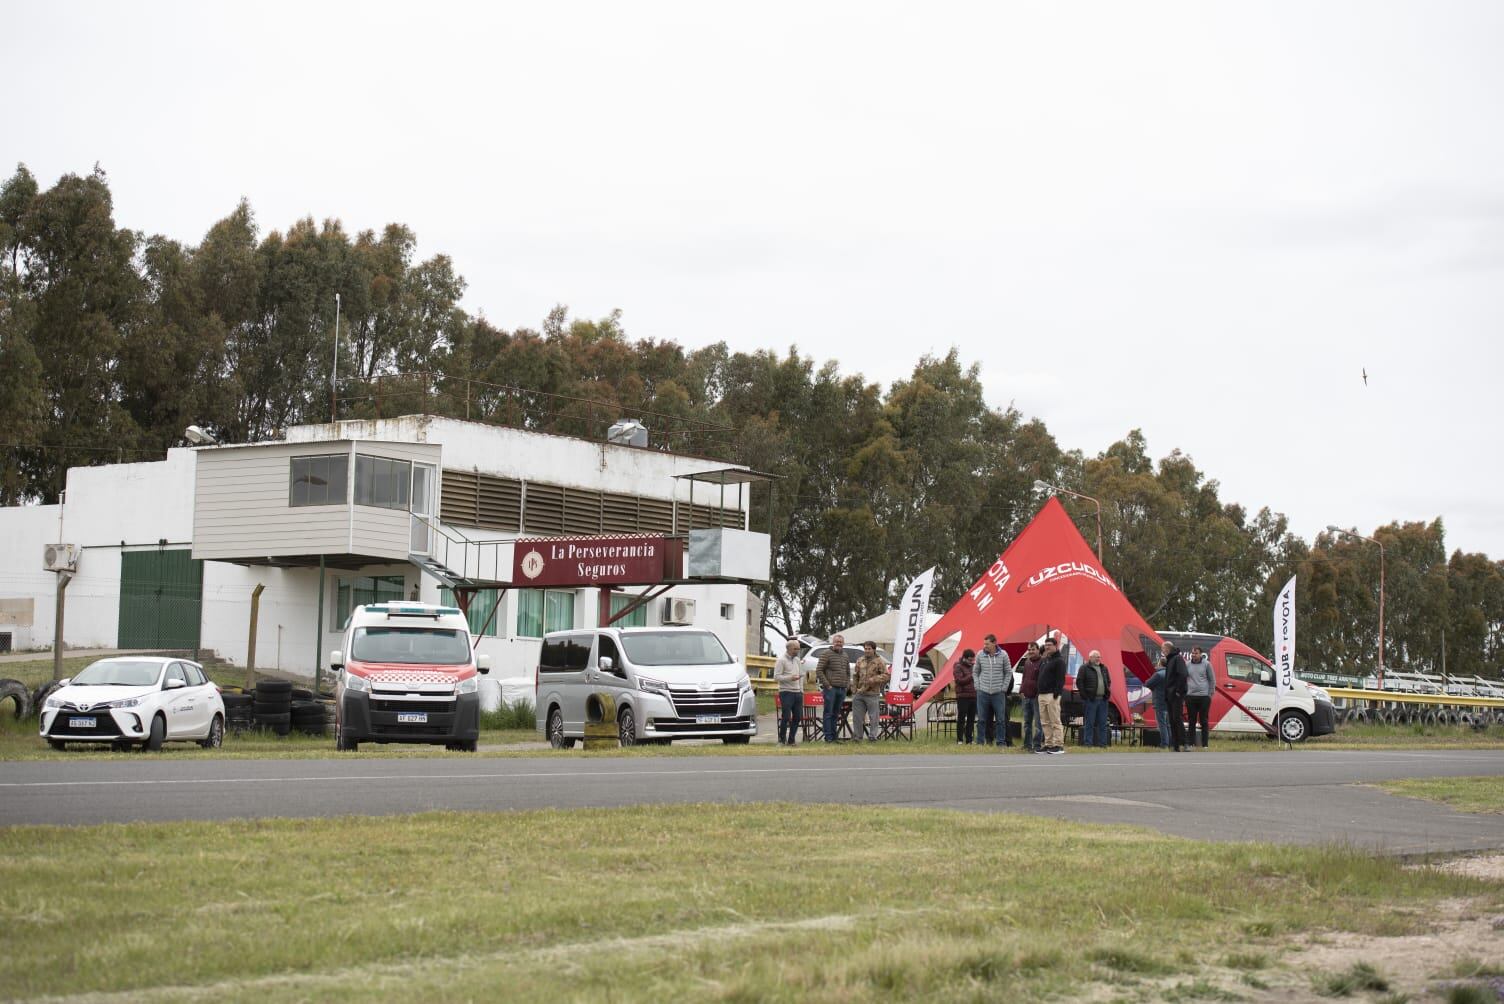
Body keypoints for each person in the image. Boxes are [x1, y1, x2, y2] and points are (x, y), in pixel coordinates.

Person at [973, 634, 1014, 748]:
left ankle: (1000, 742)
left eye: (987, 644)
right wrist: (977, 686)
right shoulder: (980, 655)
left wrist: (1004, 688)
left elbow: (1008, 672)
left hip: (998, 693)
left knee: (1000, 719)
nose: (984, 646)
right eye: (984, 643)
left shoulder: (1003, 655)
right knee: (981, 719)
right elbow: (975, 672)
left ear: (994, 643)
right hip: (983, 692)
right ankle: (980, 742)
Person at [815, 634, 852, 743]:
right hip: (831, 689)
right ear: (833, 642)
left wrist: (846, 685)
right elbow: (819, 670)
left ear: (843, 643)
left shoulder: (845, 655)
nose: (838, 644)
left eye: (840, 642)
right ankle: (828, 737)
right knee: (828, 713)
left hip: (842, 689)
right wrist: (828, 685)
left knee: (836, 714)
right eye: (837, 642)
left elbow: (848, 672)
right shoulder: (826, 654)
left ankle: (834, 736)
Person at [850, 641, 890, 741]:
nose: (867, 651)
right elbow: (855, 675)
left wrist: (874, 679)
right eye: (866, 649)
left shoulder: (879, 661)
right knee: (857, 717)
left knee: (874, 718)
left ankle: (872, 737)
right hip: (859, 693)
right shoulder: (860, 660)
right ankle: (858, 737)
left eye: (869, 649)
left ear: (874, 649)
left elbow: (886, 675)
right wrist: (854, 689)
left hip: (872, 694)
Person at [1076, 649, 1112, 748]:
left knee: (1103, 723)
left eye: (1099, 656)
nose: (1098, 658)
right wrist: (1085, 696)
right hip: (1091, 700)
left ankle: (1103, 744)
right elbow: (1079, 682)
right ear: (1090, 657)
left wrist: (1107, 691)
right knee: (1089, 723)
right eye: (1096, 656)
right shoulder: (1084, 668)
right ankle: (1088, 744)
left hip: (1103, 700)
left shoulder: (1104, 668)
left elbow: (1108, 681)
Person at [1037, 636, 1067, 754]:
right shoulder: (1045, 660)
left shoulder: (1059, 661)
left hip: (1052, 695)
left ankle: (1058, 745)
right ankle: (1048, 744)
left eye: (1050, 645)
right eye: (1046, 645)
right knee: (1044, 722)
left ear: (1056, 646)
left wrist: (1056, 694)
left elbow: (1060, 679)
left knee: (1055, 721)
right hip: (1042, 694)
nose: (1047, 647)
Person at [773, 637, 804, 746]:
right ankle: (781, 740)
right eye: (796, 649)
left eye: (798, 649)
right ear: (789, 649)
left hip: (797, 692)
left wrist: (801, 691)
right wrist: (790, 678)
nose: (798, 651)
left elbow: (801, 676)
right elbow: (776, 677)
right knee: (786, 716)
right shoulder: (781, 660)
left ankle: (791, 740)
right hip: (786, 692)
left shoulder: (797, 660)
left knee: (798, 716)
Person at [1184, 645, 1214, 750]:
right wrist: (1185, 694)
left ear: (1201, 654)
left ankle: (1205, 744)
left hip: (1204, 697)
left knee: (1203, 721)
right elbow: (1183, 678)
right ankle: (1191, 743)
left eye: (1196, 653)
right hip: (1190, 696)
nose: (1194, 655)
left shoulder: (1207, 664)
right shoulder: (1187, 664)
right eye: (1192, 653)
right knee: (1191, 721)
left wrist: (1210, 694)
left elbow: (1212, 680)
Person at [1015, 641, 1043, 752]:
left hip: (1036, 697)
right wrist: (1021, 690)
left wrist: (1038, 694)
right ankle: (1027, 744)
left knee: (1038, 723)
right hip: (1026, 696)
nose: (1031, 651)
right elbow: (1024, 677)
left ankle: (1036, 745)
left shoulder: (1042, 662)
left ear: (1038, 650)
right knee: (1027, 722)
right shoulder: (1027, 662)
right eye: (1029, 650)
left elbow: (1042, 680)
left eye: (1033, 649)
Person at [1161, 640, 1189, 752]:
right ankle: (1175, 745)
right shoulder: (1170, 660)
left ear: (1167, 649)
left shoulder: (1177, 658)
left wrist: (1178, 691)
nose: (1162, 652)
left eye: (1163, 649)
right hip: (1169, 694)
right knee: (1172, 720)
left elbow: (1183, 674)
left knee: (1177, 718)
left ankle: (1185, 743)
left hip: (1176, 694)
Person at [952, 648, 977, 745]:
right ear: (964, 658)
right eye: (970, 660)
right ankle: (959, 739)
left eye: (973, 660)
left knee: (971, 719)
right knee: (961, 718)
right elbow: (959, 681)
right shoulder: (957, 666)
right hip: (962, 696)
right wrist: (972, 675)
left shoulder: (973, 667)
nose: (972, 662)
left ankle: (969, 740)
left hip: (974, 696)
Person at [1145, 661, 1171, 750]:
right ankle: (1170, 743)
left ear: (1160, 664)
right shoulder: (1172, 674)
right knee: (1168, 725)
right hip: (1169, 702)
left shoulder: (1158, 674)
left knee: (1162, 724)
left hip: (1160, 702)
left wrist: (1154, 687)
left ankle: (1164, 744)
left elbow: (1147, 683)